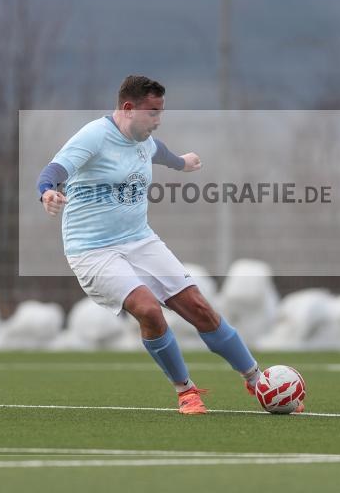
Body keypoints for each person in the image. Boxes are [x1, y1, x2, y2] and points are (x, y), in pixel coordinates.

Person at [38, 75, 268, 415]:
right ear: (128, 109)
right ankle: (186, 391)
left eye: (161, 112)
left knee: (199, 307)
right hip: (92, 250)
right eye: (153, 112)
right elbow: (54, 168)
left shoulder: (143, 138)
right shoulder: (93, 136)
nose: (158, 121)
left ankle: (257, 379)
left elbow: (156, 152)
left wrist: (182, 162)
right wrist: (47, 191)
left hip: (140, 240)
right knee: (148, 309)